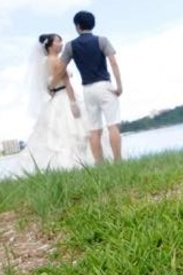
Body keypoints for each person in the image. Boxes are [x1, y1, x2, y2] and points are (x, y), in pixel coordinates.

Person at [62, 10, 124, 163]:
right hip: (104, 86)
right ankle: (118, 160)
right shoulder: (102, 41)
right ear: (92, 24)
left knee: (94, 129)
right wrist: (119, 86)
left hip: (88, 90)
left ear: (77, 26)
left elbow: (60, 67)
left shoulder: (70, 46)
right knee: (112, 125)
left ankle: (99, 164)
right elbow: (113, 63)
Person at [23, 33, 91, 171]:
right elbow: (67, 83)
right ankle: (79, 163)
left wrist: (53, 89)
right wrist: (73, 103)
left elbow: (47, 86)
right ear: (50, 45)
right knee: (74, 131)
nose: (61, 44)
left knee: (56, 134)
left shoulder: (44, 62)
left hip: (55, 98)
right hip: (65, 96)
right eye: (58, 41)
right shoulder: (58, 61)